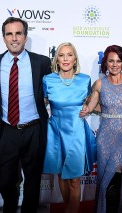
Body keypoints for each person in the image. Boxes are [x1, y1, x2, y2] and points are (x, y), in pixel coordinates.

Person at [0, 17, 51, 213]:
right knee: (5, 181)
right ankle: (11, 207)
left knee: (32, 180)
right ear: (4, 37)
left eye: (18, 33)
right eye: (9, 34)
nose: (14, 38)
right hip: (6, 130)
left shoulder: (42, 62)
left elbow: (50, 92)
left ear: (25, 36)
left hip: (34, 129)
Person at [79, 45, 122, 213]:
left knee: (116, 174)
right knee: (103, 177)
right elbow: (91, 106)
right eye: (111, 61)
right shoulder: (99, 83)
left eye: (118, 61)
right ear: (105, 63)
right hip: (105, 137)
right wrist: (85, 109)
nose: (115, 65)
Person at [42, 42, 96, 213]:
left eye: (69, 55)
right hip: (56, 131)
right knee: (61, 176)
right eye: (61, 55)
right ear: (57, 59)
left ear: (75, 59)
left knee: (74, 178)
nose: (65, 59)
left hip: (77, 131)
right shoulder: (48, 80)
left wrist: (88, 108)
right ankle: (69, 208)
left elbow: (90, 102)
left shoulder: (84, 79)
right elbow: (41, 104)